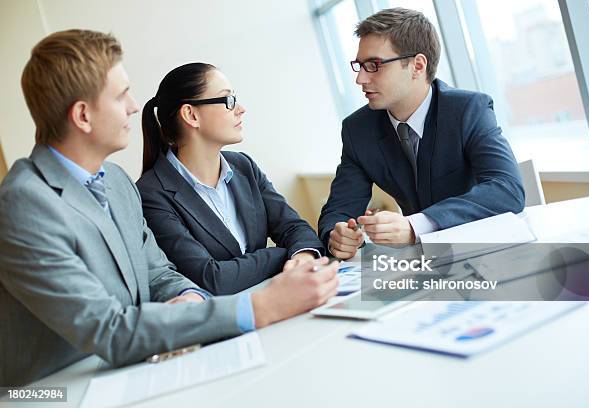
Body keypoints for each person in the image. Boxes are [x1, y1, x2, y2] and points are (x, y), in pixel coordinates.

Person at [0, 29, 338, 387]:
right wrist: (262, 307)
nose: (133, 105)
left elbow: (159, 274)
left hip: (131, 370)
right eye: (121, 96)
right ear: (83, 116)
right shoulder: (24, 204)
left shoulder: (115, 181)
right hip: (54, 391)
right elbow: (109, 330)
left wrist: (186, 297)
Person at [318, 8, 525, 259]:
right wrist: (336, 235)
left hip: (486, 251)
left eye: (373, 65)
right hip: (425, 263)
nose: (360, 79)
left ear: (417, 65)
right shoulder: (358, 129)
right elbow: (339, 209)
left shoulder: (468, 109)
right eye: (360, 66)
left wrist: (416, 225)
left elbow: (507, 189)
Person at [136, 63, 324, 295]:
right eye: (228, 101)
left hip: (279, 299)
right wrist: (284, 254)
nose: (241, 109)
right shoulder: (151, 194)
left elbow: (294, 227)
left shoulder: (243, 166)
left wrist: (302, 255)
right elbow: (211, 279)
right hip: (228, 321)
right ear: (191, 115)